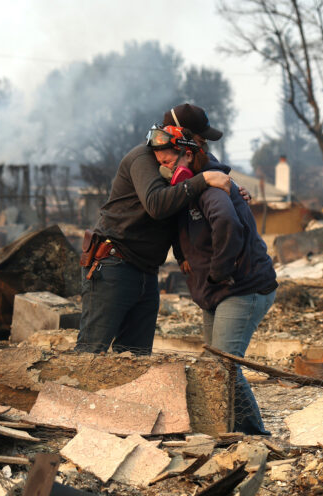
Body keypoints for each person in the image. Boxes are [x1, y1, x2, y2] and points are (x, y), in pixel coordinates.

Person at [150, 117, 278, 435]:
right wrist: (182, 258)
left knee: (224, 366)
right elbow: (181, 230)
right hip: (216, 292)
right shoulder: (188, 189)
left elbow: (227, 224)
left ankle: (254, 435)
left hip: (241, 287)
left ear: (188, 154)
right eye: (159, 163)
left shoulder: (211, 187)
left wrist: (220, 271)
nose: (164, 169)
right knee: (215, 367)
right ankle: (226, 432)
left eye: (167, 161)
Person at [74, 119, 235, 354]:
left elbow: (177, 214)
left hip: (147, 271)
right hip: (113, 264)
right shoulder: (143, 158)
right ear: (183, 139)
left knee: (135, 356)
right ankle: (68, 392)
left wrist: (236, 187)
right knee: (90, 351)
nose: (204, 148)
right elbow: (157, 205)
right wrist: (202, 180)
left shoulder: (186, 165)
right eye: (200, 141)